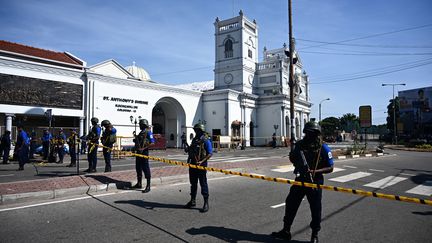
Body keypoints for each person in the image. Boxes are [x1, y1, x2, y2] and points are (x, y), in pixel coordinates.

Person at [272, 121, 334, 243]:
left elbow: (330, 167)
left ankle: (315, 234)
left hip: (315, 181)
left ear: (317, 134)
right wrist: (292, 154)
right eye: (306, 133)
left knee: (315, 209)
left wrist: (315, 171)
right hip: (300, 179)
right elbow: (293, 159)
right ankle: (286, 230)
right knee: (290, 203)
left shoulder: (323, 148)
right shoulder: (300, 145)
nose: (308, 135)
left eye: (311, 133)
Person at [184, 123, 213, 213]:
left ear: (200, 130)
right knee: (193, 184)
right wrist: (188, 150)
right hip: (193, 164)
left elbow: (210, 153)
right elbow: (192, 150)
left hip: (201, 165)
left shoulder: (206, 140)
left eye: (196, 130)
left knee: (203, 183)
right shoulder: (194, 140)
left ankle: (206, 203)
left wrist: (201, 161)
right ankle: (192, 200)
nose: (195, 131)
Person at [132, 119, 155, 192]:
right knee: (138, 168)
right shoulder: (141, 132)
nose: (139, 126)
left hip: (144, 153)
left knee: (145, 168)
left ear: (143, 125)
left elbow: (152, 143)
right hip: (138, 153)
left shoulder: (148, 132)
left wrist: (143, 148)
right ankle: (139, 183)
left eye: (140, 125)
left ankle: (148, 186)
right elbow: (139, 142)